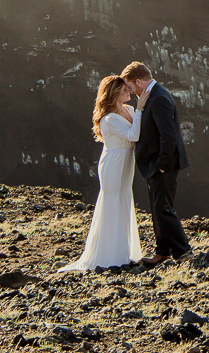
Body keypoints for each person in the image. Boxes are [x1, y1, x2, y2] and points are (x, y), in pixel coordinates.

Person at [60, 75, 146, 271]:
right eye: (124, 89)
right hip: (113, 163)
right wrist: (141, 109)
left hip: (126, 162)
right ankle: (110, 255)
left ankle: (125, 251)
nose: (128, 91)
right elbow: (134, 135)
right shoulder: (109, 119)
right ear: (114, 94)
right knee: (112, 202)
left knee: (124, 199)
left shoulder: (129, 110)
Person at [121, 61, 191, 264]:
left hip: (163, 165)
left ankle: (184, 252)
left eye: (130, 86)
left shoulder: (159, 98)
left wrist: (162, 164)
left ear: (138, 81)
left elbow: (167, 135)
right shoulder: (154, 95)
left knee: (163, 209)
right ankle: (162, 252)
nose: (130, 91)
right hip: (156, 164)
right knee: (157, 208)